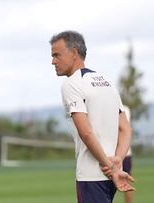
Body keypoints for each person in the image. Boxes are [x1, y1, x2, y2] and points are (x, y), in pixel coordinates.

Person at [50, 30, 135, 203]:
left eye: (57, 55)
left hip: (91, 175)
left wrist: (110, 166)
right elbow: (125, 129)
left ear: (74, 53)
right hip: (110, 175)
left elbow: (86, 133)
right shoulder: (106, 83)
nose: (53, 61)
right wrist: (117, 160)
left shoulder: (71, 85)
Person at [123, 105, 134, 203]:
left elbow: (127, 130)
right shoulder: (125, 109)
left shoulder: (124, 109)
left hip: (123, 153)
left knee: (127, 183)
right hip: (124, 153)